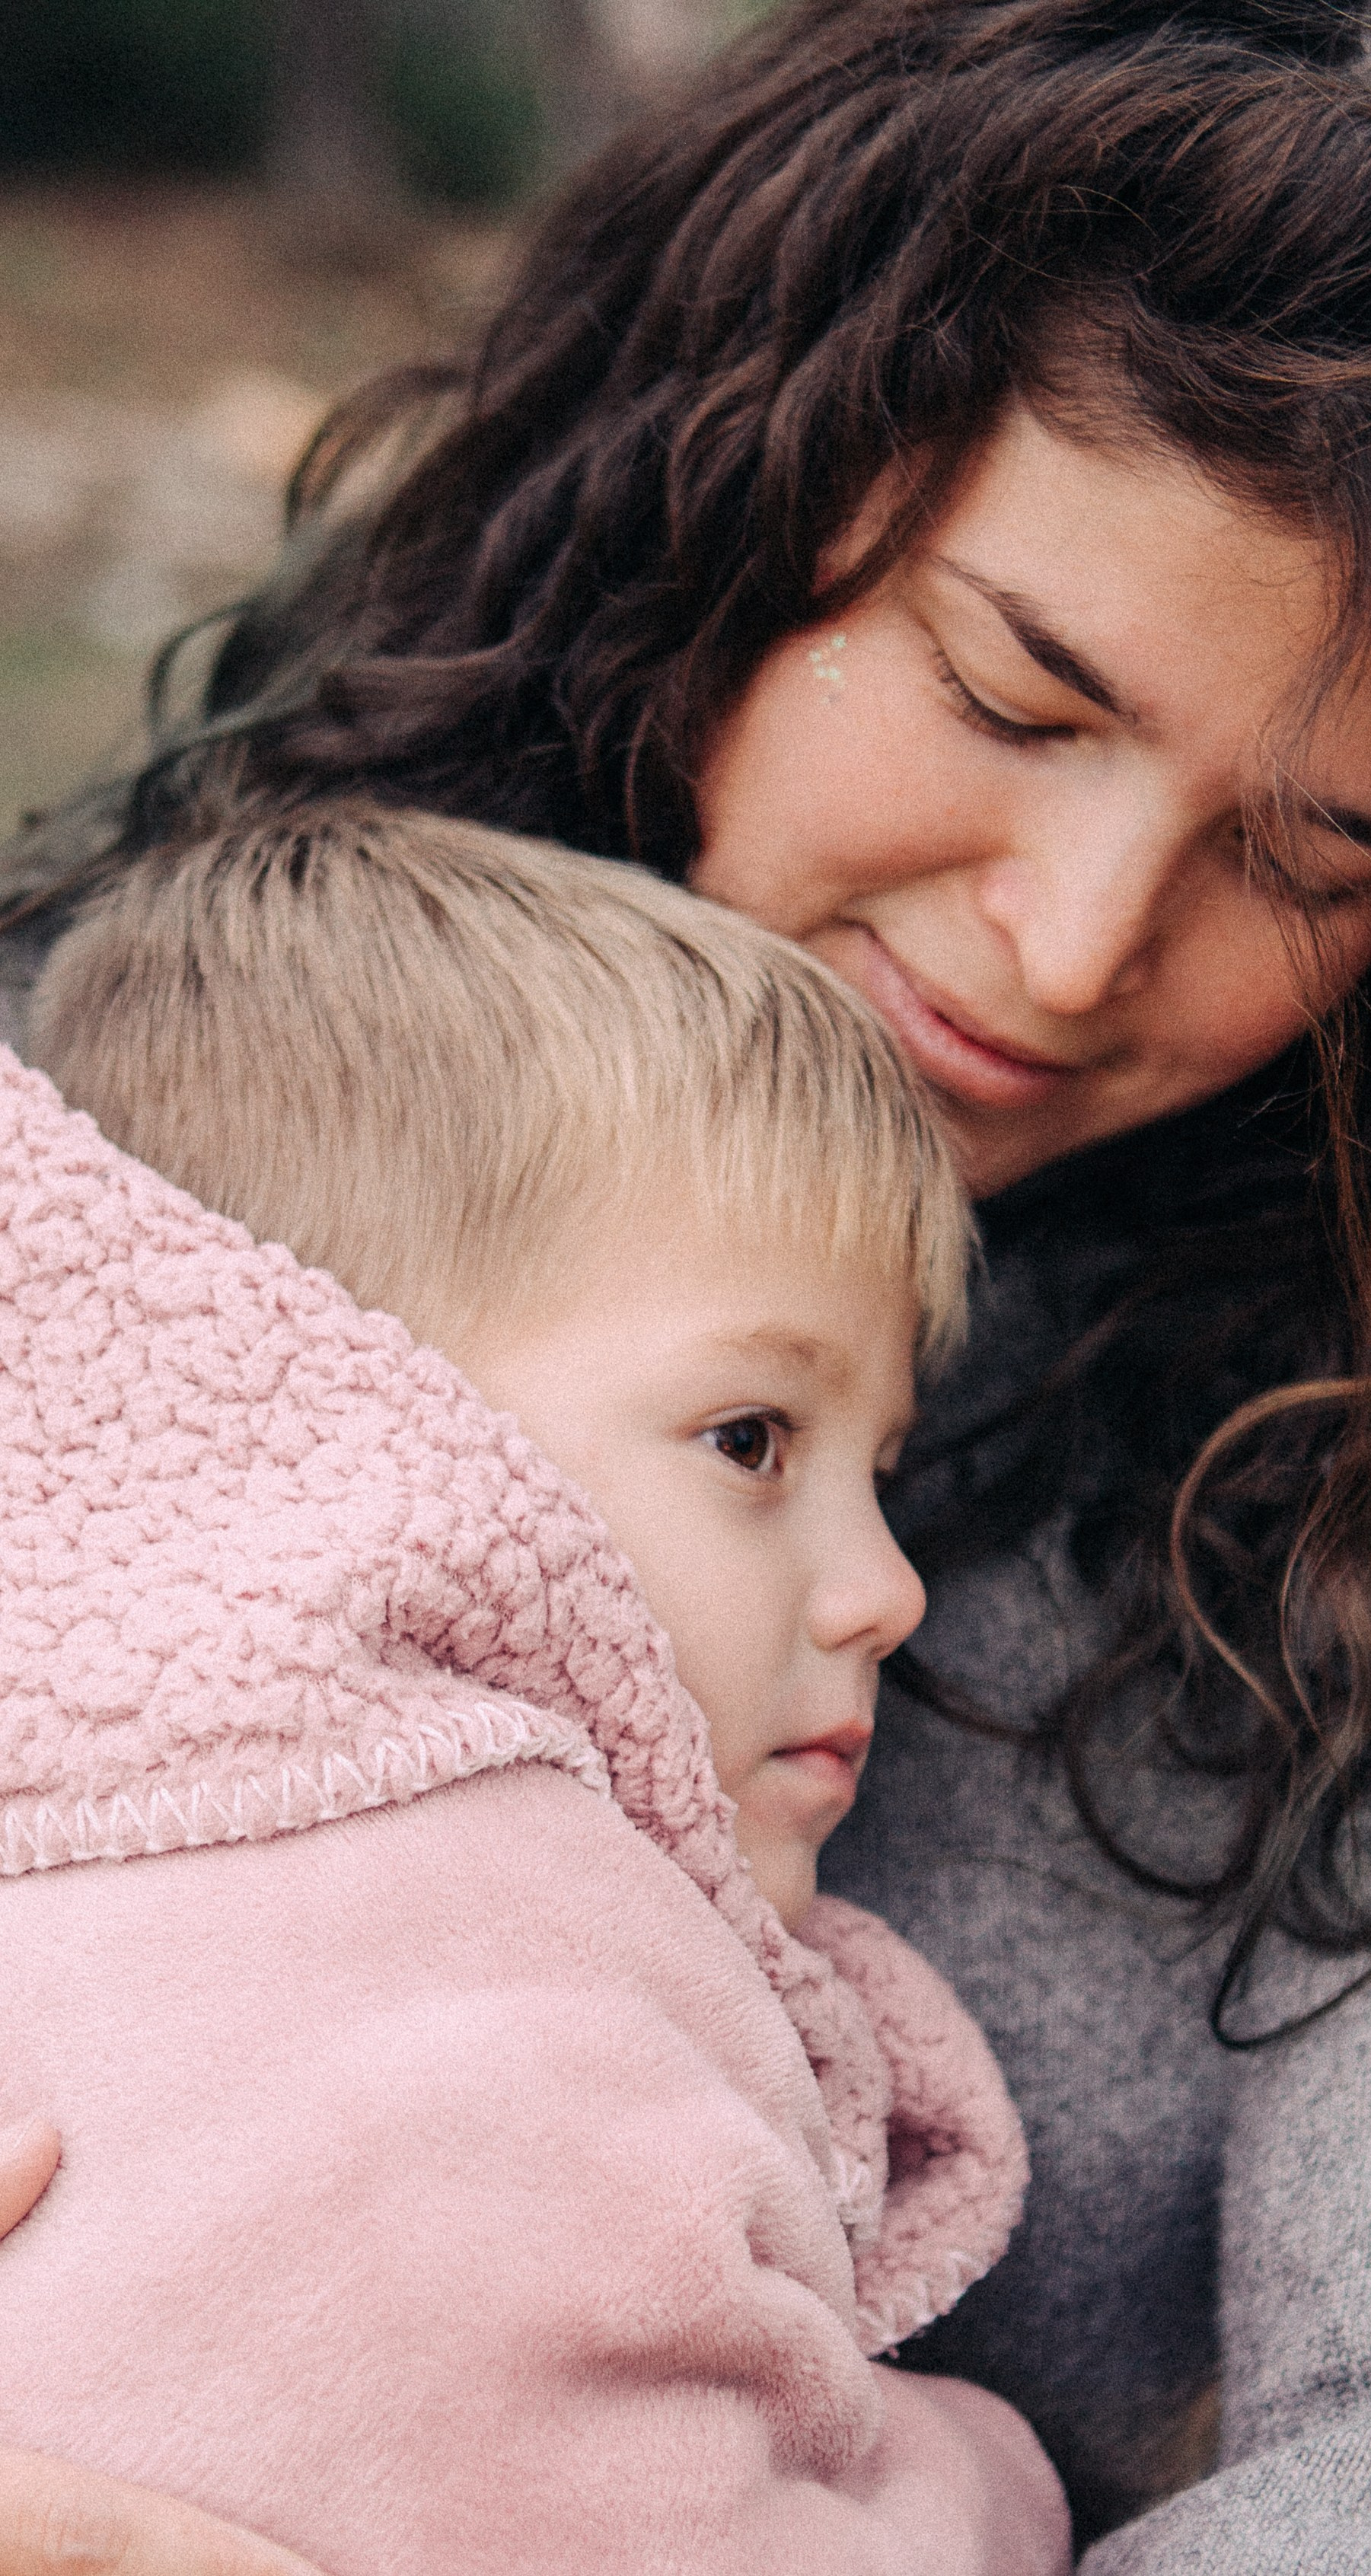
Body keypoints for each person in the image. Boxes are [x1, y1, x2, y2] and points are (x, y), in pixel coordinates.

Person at [1, 0, 1371, 2565]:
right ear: (733, 505)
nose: (1065, 945)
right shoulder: (122, 1143)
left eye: (1313, 857)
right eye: (1009, 695)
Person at [0, 804, 1070, 2576]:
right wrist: (989, 2478)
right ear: (354, 1411)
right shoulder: (475, 1973)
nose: (889, 1591)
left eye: (879, 1465)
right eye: (753, 1440)